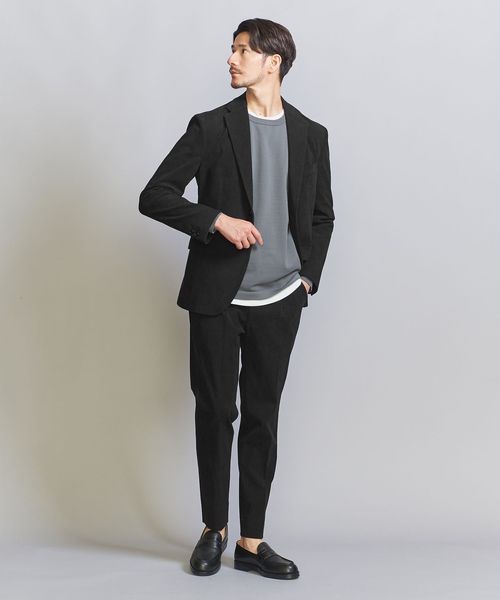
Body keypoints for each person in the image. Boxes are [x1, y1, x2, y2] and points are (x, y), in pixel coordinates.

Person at [139, 17, 335, 579]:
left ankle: (251, 542)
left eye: (243, 50)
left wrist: (307, 278)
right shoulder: (210, 127)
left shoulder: (311, 134)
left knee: (262, 418)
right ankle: (214, 529)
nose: (231, 58)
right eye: (232, 49)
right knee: (216, 412)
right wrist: (216, 220)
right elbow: (155, 195)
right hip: (217, 299)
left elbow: (322, 216)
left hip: (281, 299)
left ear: (273, 62)